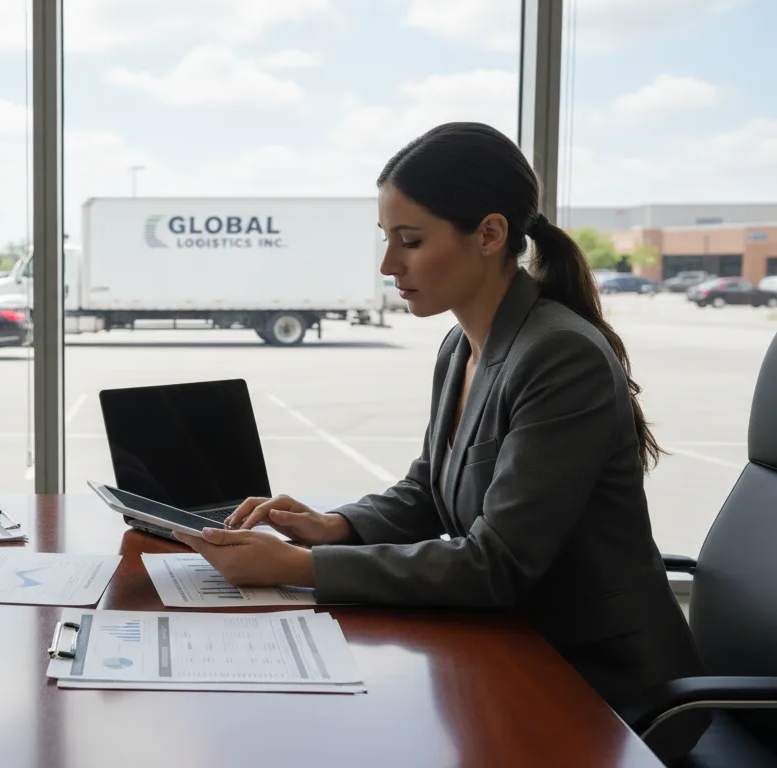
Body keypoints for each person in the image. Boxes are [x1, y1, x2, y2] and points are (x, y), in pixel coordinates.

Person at [176, 123, 704, 736]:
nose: (387, 264)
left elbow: (494, 565)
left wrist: (295, 567)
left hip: (600, 690)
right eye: (387, 239)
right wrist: (334, 527)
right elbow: (430, 489)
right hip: (510, 652)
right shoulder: (463, 345)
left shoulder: (561, 357)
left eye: (411, 241)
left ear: (489, 234)